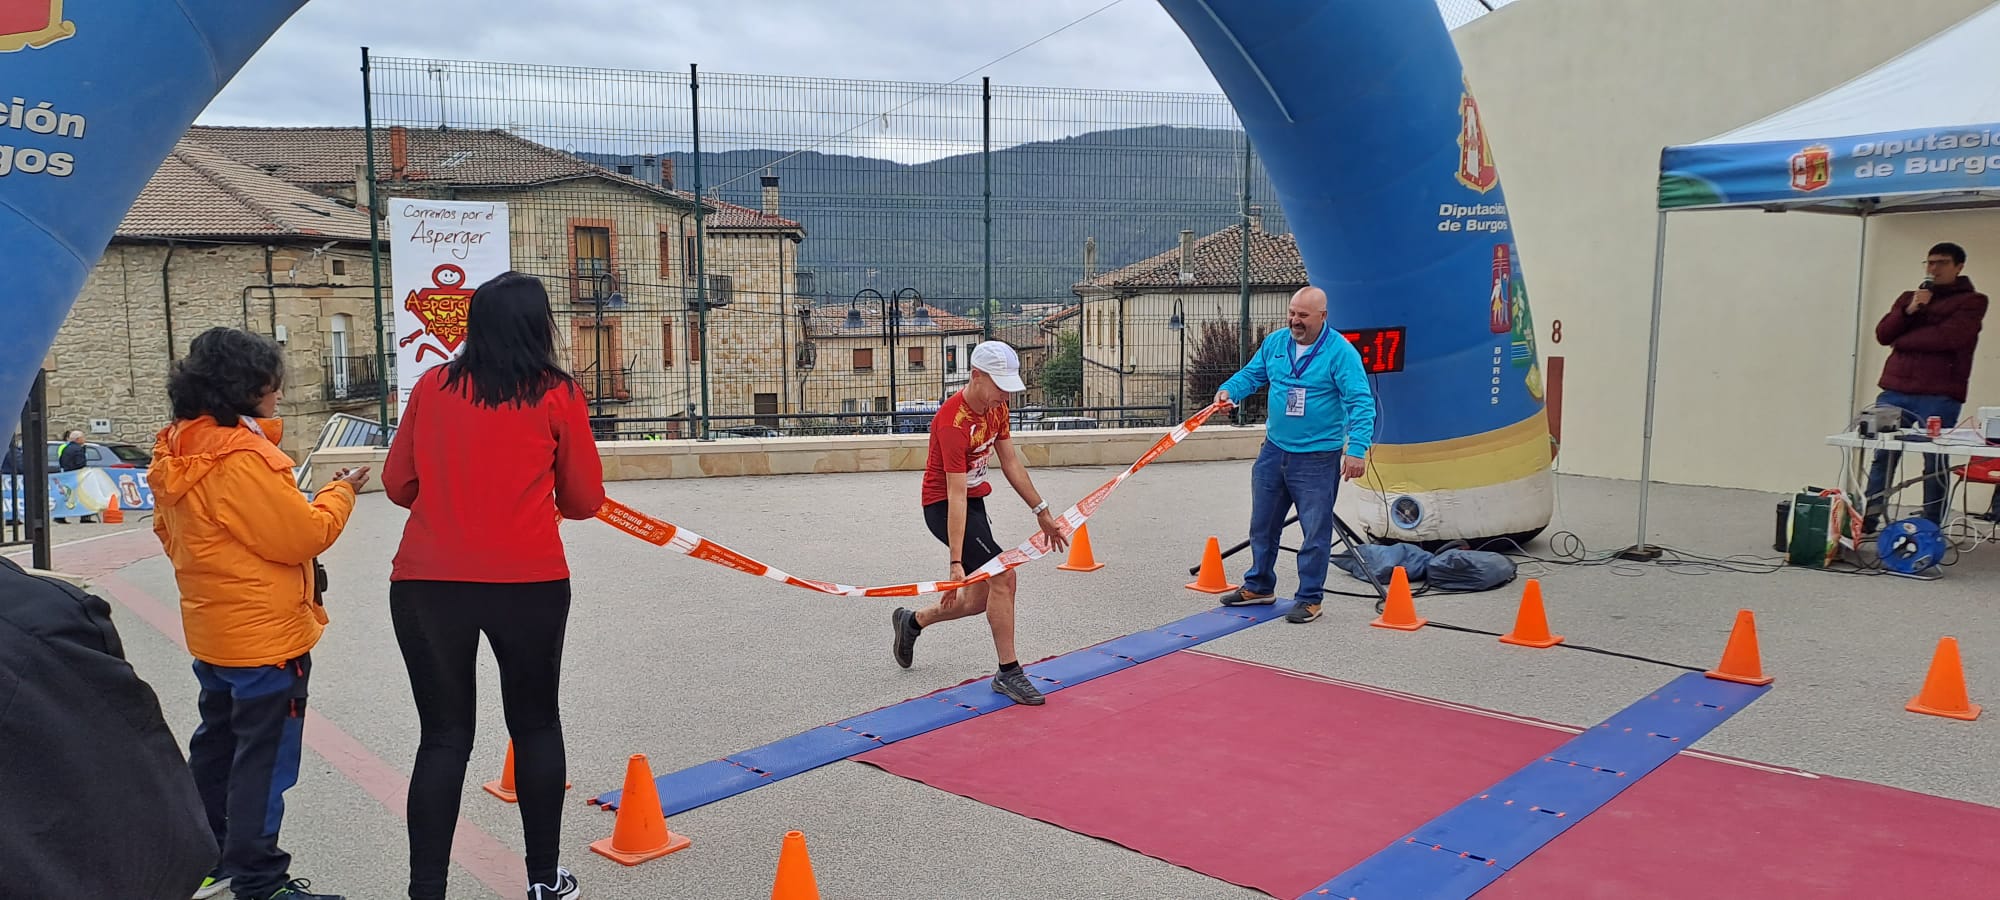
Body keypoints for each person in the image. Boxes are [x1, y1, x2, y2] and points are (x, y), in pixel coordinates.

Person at [382, 271, 604, 900]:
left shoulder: (432, 385)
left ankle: (426, 891)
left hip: (427, 581)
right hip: (528, 581)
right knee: (534, 724)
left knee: (444, 736)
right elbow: (585, 500)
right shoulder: (558, 394)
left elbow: (399, 484)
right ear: (542, 326)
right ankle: (541, 880)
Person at [148, 327, 368, 900]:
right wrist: (339, 492)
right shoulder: (244, 461)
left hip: (214, 630)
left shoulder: (175, 448)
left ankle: (207, 856)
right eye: (270, 383)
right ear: (245, 388)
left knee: (217, 745)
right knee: (263, 761)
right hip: (266, 641)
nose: (278, 392)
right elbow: (301, 536)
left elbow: (169, 535)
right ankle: (260, 879)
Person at [0, 557, 220, 900]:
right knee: (255, 751)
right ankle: (258, 867)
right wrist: (334, 502)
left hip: (221, 632)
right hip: (260, 638)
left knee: (221, 738)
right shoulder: (44, 616)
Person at [891, 341, 1068, 706]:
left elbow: (1011, 464)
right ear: (976, 376)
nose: (1005, 394)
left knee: (978, 599)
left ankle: (912, 622)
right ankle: (1009, 672)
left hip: (973, 502)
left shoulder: (997, 408)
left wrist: (1043, 512)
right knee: (1004, 575)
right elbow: (954, 494)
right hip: (943, 507)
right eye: (999, 385)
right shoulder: (951, 422)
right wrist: (955, 563)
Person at [1213, 286, 1376, 624]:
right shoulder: (1276, 343)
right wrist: (1229, 391)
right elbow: (1253, 374)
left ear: (1322, 316)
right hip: (1274, 450)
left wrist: (1357, 449)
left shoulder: (1340, 353)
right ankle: (1259, 585)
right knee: (1263, 524)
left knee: (1315, 531)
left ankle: (1310, 598)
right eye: (1292, 312)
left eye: (1303, 315)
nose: (1295, 320)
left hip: (1317, 456)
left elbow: (1360, 402)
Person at [1863, 242, 1988, 532]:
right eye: (1930, 263)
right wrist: (1909, 311)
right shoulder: (1909, 298)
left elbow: (1949, 339)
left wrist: (1903, 340)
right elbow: (1883, 334)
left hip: (1939, 394)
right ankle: (1869, 516)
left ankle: (1931, 523)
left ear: (1959, 267)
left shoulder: (1973, 301)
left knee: (1934, 460)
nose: (1934, 268)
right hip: (1894, 390)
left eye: (1942, 262)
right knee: (1882, 452)